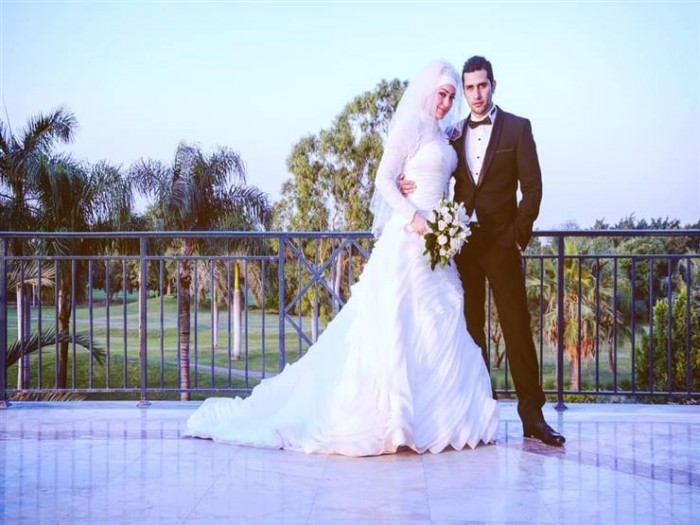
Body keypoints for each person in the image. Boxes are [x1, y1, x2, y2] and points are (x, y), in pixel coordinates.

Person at [184, 60, 499, 456]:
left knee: (439, 322)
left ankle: (439, 416)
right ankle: (395, 419)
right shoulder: (410, 127)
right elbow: (384, 180)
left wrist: (444, 224)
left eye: (452, 97)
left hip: (438, 243)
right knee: (397, 326)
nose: (447, 102)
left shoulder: (446, 133)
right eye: (442, 94)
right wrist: (413, 216)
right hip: (409, 238)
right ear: (427, 92)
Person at [400, 56, 565, 447]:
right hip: (462, 246)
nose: (476, 94)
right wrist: (405, 181)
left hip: (502, 244)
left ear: (493, 85)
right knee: (470, 330)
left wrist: (518, 236)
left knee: (517, 328)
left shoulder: (518, 128)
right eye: (470, 87)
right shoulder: (453, 133)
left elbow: (533, 188)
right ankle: (478, 413)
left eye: (482, 85)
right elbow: (429, 164)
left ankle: (533, 418)